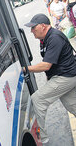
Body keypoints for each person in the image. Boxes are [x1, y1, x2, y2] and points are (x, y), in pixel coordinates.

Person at [24, 13, 76, 145]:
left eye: (33, 28)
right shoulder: (45, 38)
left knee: (38, 99)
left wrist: (25, 69)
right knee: (72, 105)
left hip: (65, 77)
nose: (31, 31)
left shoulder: (54, 38)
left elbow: (46, 65)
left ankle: (44, 138)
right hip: (64, 75)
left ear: (43, 26)